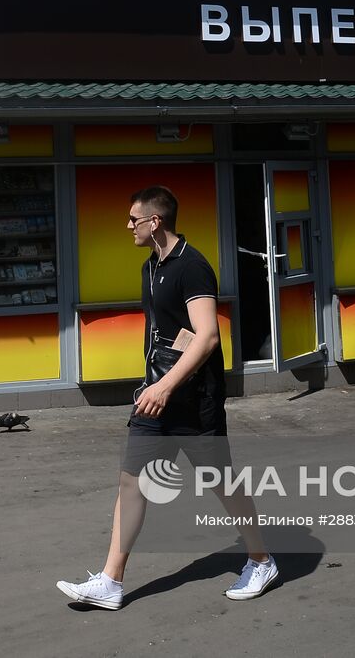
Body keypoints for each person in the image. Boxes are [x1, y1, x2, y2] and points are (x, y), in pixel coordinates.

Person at [57, 185, 276, 610]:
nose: (128, 227)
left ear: (154, 222)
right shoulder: (151, 267)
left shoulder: (192, 267)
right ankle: (110, 581)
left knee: (221, 482)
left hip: (194, 399)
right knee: (131, 481)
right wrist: (153, 385)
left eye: (133, 220)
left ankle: (261, 560)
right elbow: (166, 333)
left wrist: (166, 385)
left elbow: (208, 335)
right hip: (156, 394)